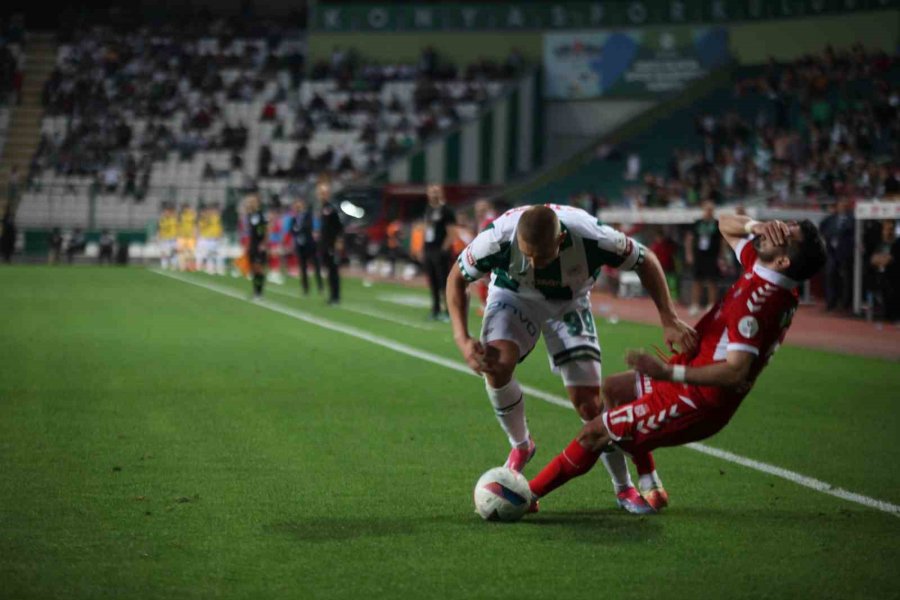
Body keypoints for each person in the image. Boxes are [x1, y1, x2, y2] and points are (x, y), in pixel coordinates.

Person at [526, 214, 827, 514]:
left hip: (696, 399)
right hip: (689, 370)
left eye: (785, 235)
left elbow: (736, 371)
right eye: (784, 225)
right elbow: (725, 223)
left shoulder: (763, 300)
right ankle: (650, 483)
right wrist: (755, 227)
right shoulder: (763, 266)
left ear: (784, 261)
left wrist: (667, 371)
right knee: (614, 390)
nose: (777, 230)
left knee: (594, 433)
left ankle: (523, 497)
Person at [447, 204, 696, 511]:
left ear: (562, 239)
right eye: (527, 255)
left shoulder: (593, 237)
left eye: (542, 256)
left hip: (570, 304)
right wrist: (462, 339)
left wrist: (669, 318)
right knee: (495, 365)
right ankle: (521, 446)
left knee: (589, 403)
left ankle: (623, 487)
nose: (535, 265)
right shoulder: (497, 238)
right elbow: (456, 278)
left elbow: (647, 260)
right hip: (514, 296)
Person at [423, 184, 457, 320]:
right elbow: (427, 230)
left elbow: (452, 232)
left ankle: (449, 311)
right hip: (429, 249)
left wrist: (444, 248)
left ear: (441, 193)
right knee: (433, 281)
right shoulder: (428, 209)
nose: (433, 195)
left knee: (444, 282)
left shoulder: (447, 210)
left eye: (436, 192)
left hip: (440, 250)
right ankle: (435, 309)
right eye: (431, 192)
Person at [685, 201, 721, 316]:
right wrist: (689, 254)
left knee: (712, 281)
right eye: (706, 210)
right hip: (698, 255)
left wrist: (722, 256)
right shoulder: (697, 223)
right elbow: (689, 239)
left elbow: (722, 241)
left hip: (712, 256)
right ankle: (695, 304)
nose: (708, 212)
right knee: (697, 280)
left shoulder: (716, 224)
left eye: (711, 210)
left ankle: (711, 305)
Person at [317, 175, 344, 305]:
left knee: (333, 270)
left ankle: (336, 296)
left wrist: (338, 241)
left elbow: (339, 227)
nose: (321, 195)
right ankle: (332, 295)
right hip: (325, 244)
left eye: (324, 193)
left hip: (331, 244)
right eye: (320, 193)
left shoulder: (331, 208)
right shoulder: (323, 208)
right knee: (328, 270)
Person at [290, 198, 323, 295]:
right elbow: (292, 231)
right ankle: (305, 288)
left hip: (310, 245)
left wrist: (298, 229)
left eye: (299, 205)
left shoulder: (308, 215)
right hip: (300, 246)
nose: (297, 207)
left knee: (316, 266)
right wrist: (298, 230)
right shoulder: (294, 218)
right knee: (303, 267)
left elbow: (307, 227)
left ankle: (320, 286)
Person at [245, 194, 269, 300]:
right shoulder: (251, 215)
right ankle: (255, 291)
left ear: (257, 203)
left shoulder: (261, 215)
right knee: (254, 269)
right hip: (253, 245)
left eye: (252, 202)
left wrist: (264, 243)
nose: (250, 204)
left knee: (259, 269)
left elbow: (265, 230)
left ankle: (260, 292)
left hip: (259, 245)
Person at [157, 204, 179, 270]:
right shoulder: (162, 220)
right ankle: (164, 266)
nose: (167, 213)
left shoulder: (175, 219)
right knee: (164, 253)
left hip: (173, 239)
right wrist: (158, 237)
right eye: (165, 212)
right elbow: (159, 229)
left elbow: (178, 228)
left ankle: (174, 266)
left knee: (174, 253)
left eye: (168, 212)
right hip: (164, 239)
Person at [177, 204, 198, 272]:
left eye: (188, 208)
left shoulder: (193, 215)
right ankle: (182, 267)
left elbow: (195, 225)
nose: (188, 209)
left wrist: (195, 234)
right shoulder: (180, 215)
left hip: (190, 236)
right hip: (182, 236)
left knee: (191, 252)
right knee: (181, 252)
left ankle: (190, 267)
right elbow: (177, 224)